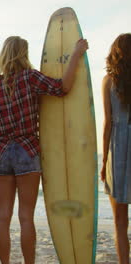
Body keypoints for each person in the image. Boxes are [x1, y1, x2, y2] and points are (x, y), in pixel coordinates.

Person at [0, 36, 88, 264]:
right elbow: (63, 87)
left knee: (3, 217)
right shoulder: (30, 78)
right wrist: (76, 55)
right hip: (26, 149)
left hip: (1, 152)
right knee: (25, 217)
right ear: (24, 54)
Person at [101, 33, 131, 264]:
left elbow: (108, 122)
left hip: (119, 149)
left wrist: (103, 163)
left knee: (120, 221)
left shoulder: (108, 81)